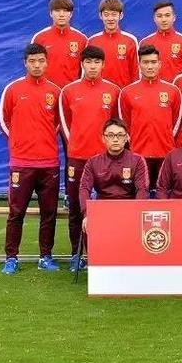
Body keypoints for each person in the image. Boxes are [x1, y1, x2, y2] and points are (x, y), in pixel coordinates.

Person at [0, 44, 62, 274]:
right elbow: (4, 121)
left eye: (41, 61)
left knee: (49, 213)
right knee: (16, 213)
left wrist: (44, 141)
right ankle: (11, 258)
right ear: (25, 63)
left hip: (49, 164)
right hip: (21, 163)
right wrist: (19, 143)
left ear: (47, 62)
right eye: (32, 61)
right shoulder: (13, 89)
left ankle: (45, 256)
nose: (37, 65)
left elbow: (58, 123)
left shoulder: (55, 91)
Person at [59, 45, 120, 270]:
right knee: (77, 208)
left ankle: (106, 254)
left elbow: (117, 125)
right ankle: (77, 256)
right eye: (88, 62)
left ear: (103, 64)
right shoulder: (68, 91)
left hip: (106, 159)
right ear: (82, 64)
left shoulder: (113, 90)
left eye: (96, 62)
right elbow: (64, 123)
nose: (92, 66)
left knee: (108, 207)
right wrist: (75, 144)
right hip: (77, 158)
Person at [119, 45, 182, 191]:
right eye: (145, 62)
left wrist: (165, 138)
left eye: (153, 62)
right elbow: (125, 124)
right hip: (138, 154)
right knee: (140, 195)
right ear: (139, 64)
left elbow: (176, 122)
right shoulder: (127, 92)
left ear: (160, 64)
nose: (150, 66)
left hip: (166, 153)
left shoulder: (172, 91)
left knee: (164, 195)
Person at [79, 118, 149, 242]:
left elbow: (142, 189)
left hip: (129, 209)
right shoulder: (93, 162)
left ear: (126, 138)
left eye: (120, 135)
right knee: (88, 223)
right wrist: (87, 214)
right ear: (103, 138)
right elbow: (84, 189)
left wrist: (137, 213)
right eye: (111, 135)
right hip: (102, 209)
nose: (115, 139)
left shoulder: (137, 160)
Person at [30, 0, 88, 88]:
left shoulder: (82, 39)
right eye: (57, 10)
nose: (61, 15)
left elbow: (86, 70)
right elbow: (32, 67)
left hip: (71, 92)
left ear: (71, 14)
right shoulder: (39, 38)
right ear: (50, 13)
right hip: (46, 91)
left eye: (65, 11)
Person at [86, 0, 139, 87]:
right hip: (99, 92)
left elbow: (136, 72)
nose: (110, 18)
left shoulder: (130, 40)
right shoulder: (92, 41)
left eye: (114, 14)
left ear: (121, 15)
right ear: (100, 16)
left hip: (123, 92)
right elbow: (86, 71)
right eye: (106, 15)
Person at [139, 0, 182, 82]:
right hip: (152, 89)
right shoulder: (145, 43)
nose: (163, 19)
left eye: (167, 15)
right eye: (159, 16)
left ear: (174, 17)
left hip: (176, 89)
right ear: (154, 18)